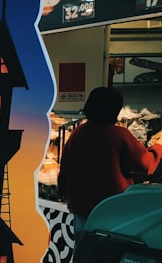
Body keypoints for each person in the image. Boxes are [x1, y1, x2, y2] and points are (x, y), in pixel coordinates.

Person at [58, 86, 162, 242]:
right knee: (108, 255)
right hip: (110, 209)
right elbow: (145, 165)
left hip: (81, 207)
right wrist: (158, 147)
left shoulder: (78, 132)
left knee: (84, 254)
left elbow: (64, 171)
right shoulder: (119, 134)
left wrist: (65, 196)